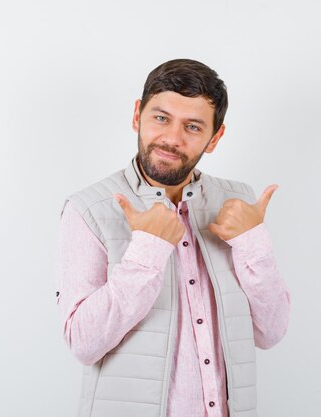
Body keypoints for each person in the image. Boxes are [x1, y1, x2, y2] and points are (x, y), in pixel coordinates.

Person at [55, 58, 290, 417]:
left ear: (214, 138)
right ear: (138, 115)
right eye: (161, 118)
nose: (172, 139)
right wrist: (147, 250)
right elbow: (84, 344)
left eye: (193, 127)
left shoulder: (237, 204)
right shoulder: (88, 209)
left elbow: (269, 333)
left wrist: (252, 242)